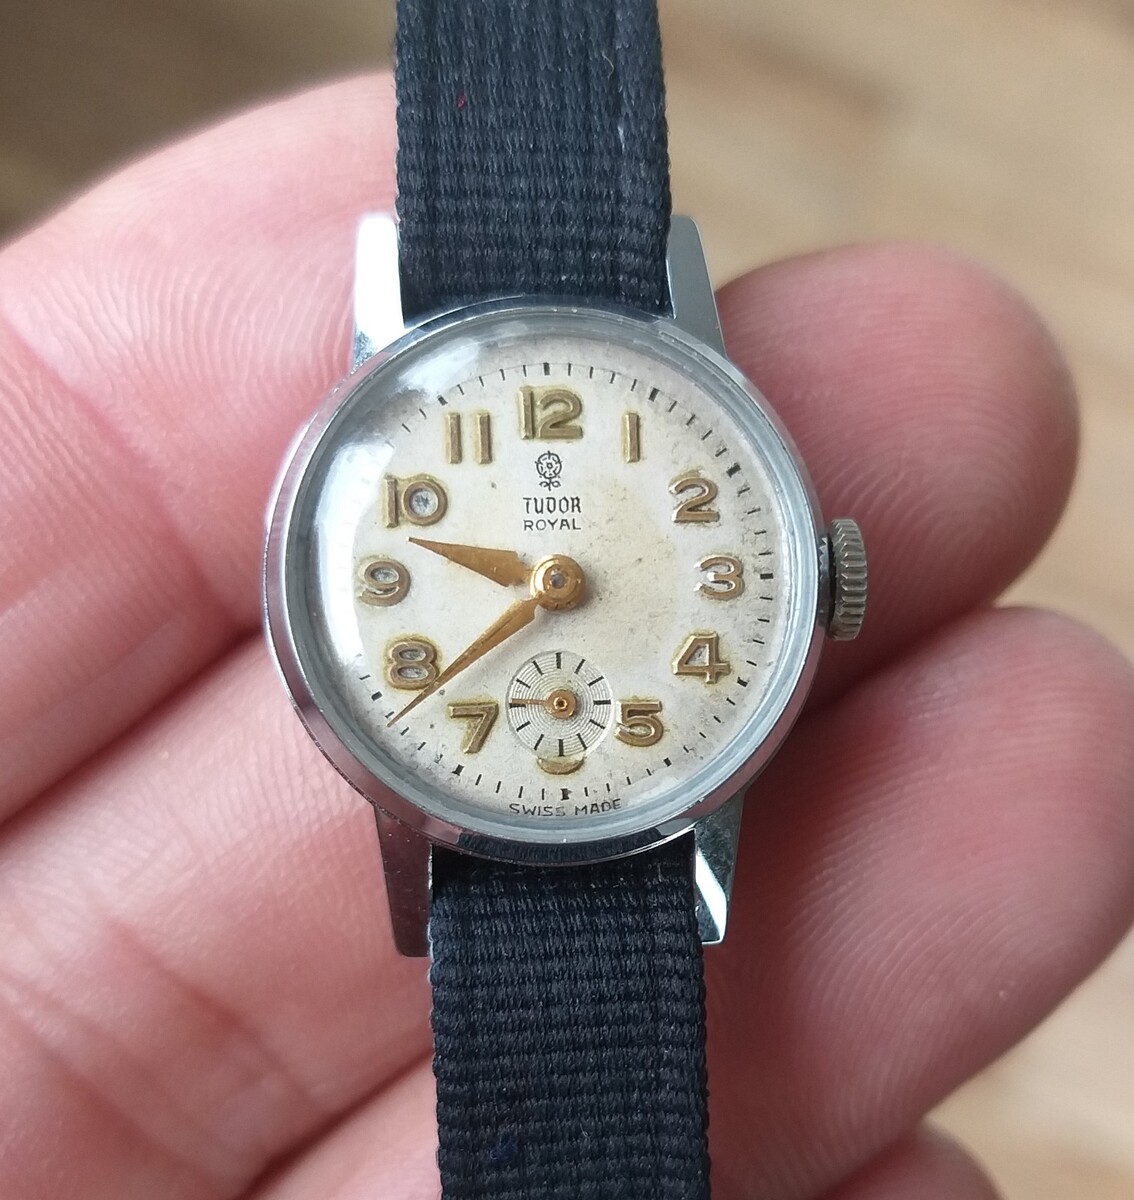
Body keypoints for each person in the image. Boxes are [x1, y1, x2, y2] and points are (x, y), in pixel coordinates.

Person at [1, 76, 1131, 1200]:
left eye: (556, 580)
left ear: (817, 573)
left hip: (626, 792)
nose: (556, 583)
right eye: (545, 581)